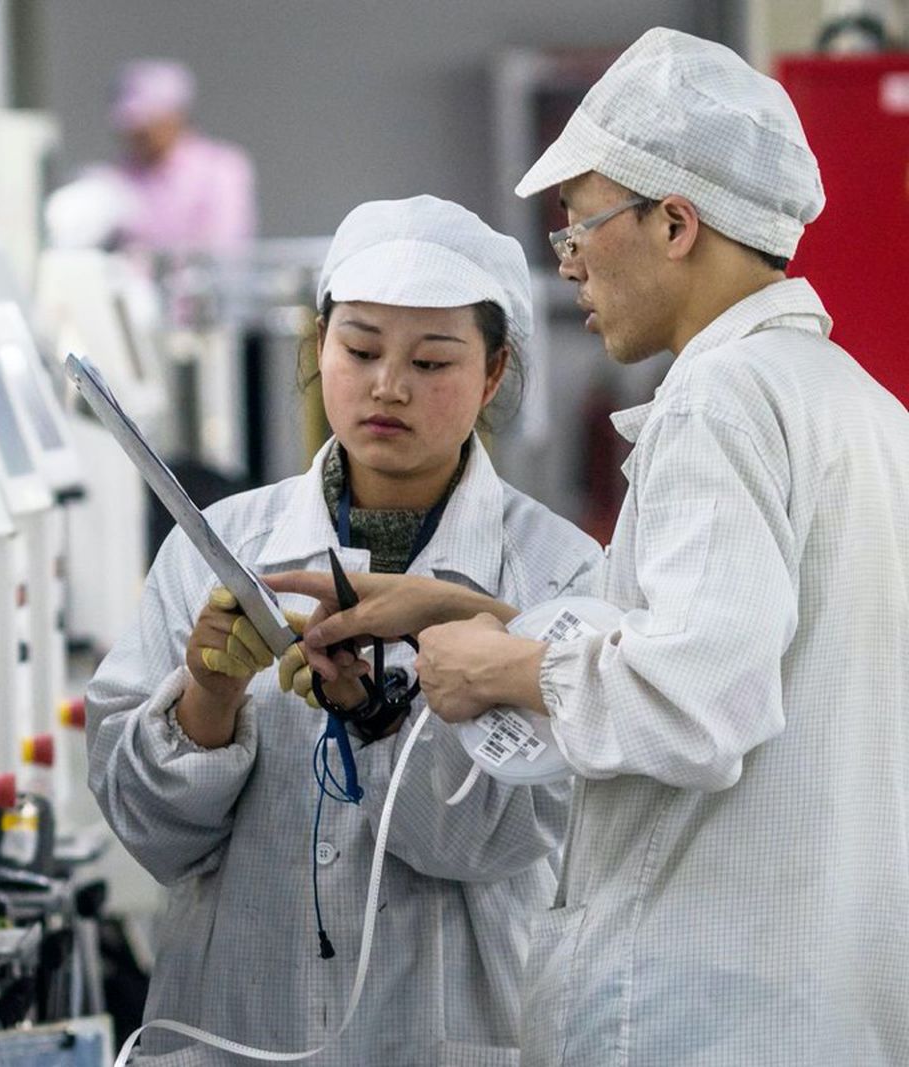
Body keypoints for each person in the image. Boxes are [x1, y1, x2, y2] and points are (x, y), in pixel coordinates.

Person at [293, 28, 909, 1065]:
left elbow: (698, 704)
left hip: (706, 1014)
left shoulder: (718, 400)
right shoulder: (856, 402)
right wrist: (475, 617)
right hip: (820, 1001)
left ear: (674, 222)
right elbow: (741, 652)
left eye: (579, 224)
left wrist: (502, 669)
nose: (567, 261)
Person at [85, 195, 600, 1065]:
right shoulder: (218, 548)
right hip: (237, 1025)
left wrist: (375, 713)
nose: (388, 386)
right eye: (360, 350)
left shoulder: (559, 576)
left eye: (431, 361)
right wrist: (209, 698)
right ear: (319, 346)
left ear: (492, 372)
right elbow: (152, 837)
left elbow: (495, 839)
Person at [107, 58, 256, 255]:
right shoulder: (115, 177)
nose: (135, 134)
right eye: (131, 127)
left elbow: (225, 247)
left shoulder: (220, 169)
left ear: (176, 116)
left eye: (148, 124)